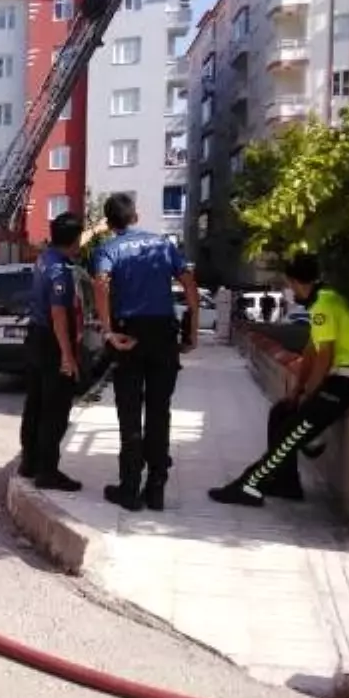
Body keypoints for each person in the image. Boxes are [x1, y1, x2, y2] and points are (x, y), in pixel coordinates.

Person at [209, 254, 349, 507]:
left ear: (294, 281)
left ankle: (250, 485)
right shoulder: (321, 301)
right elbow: (312, 348)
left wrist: (310, 395)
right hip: (342, 376)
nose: (289, 290)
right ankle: (286, 483)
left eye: (288, 285)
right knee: (281, 413)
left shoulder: (324, 304)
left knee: (293, 430)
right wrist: (296, 391)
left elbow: (325, 355)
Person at [92, 193, 199, 512]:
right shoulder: (163, 245)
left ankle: (129, 489)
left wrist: (109, 330)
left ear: (109, 223)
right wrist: (191, 331)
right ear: (135, 217)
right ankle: (156, 489)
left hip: (129, 336)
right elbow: (190, 285)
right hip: (164, 335)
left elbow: (100, 284)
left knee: (129, 414)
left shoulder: (108, 248)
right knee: (159, 411)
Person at [18, 212, 85, 491]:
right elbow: (59, 313)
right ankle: (47, 471)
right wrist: (68, 357)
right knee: (54, 409)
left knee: (35, 404)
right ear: (74, 240)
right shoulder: (60, 270)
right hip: (51, 342)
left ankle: (29, 462)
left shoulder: (44, 259)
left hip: (35, 337)